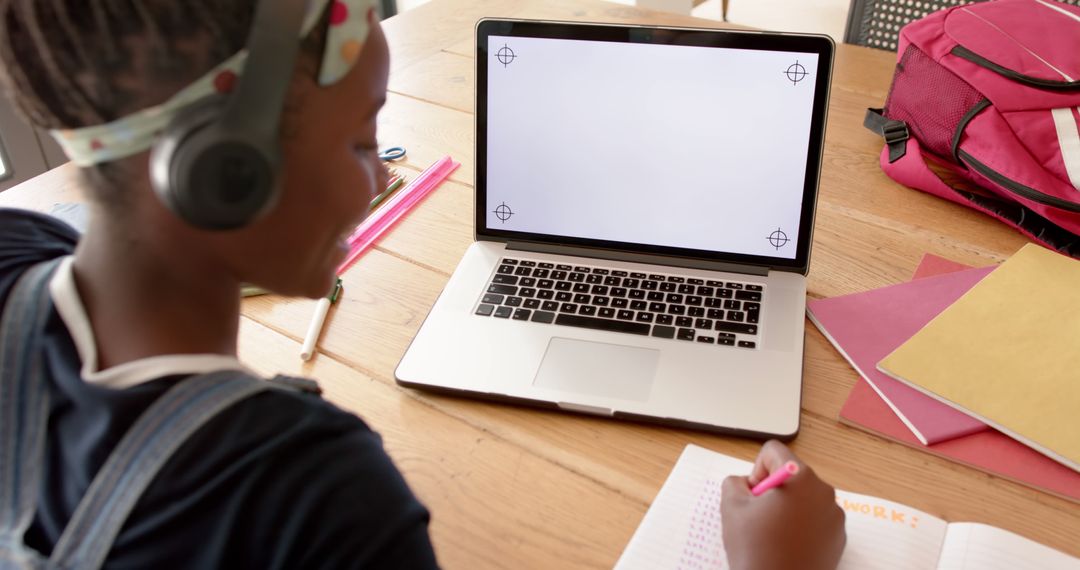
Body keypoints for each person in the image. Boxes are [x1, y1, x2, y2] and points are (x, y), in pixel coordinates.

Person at [0, 1, 844, 568]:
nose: (378, 182)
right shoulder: (314, 498)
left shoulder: (13, 254)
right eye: (365, 142)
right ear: (228, 173)